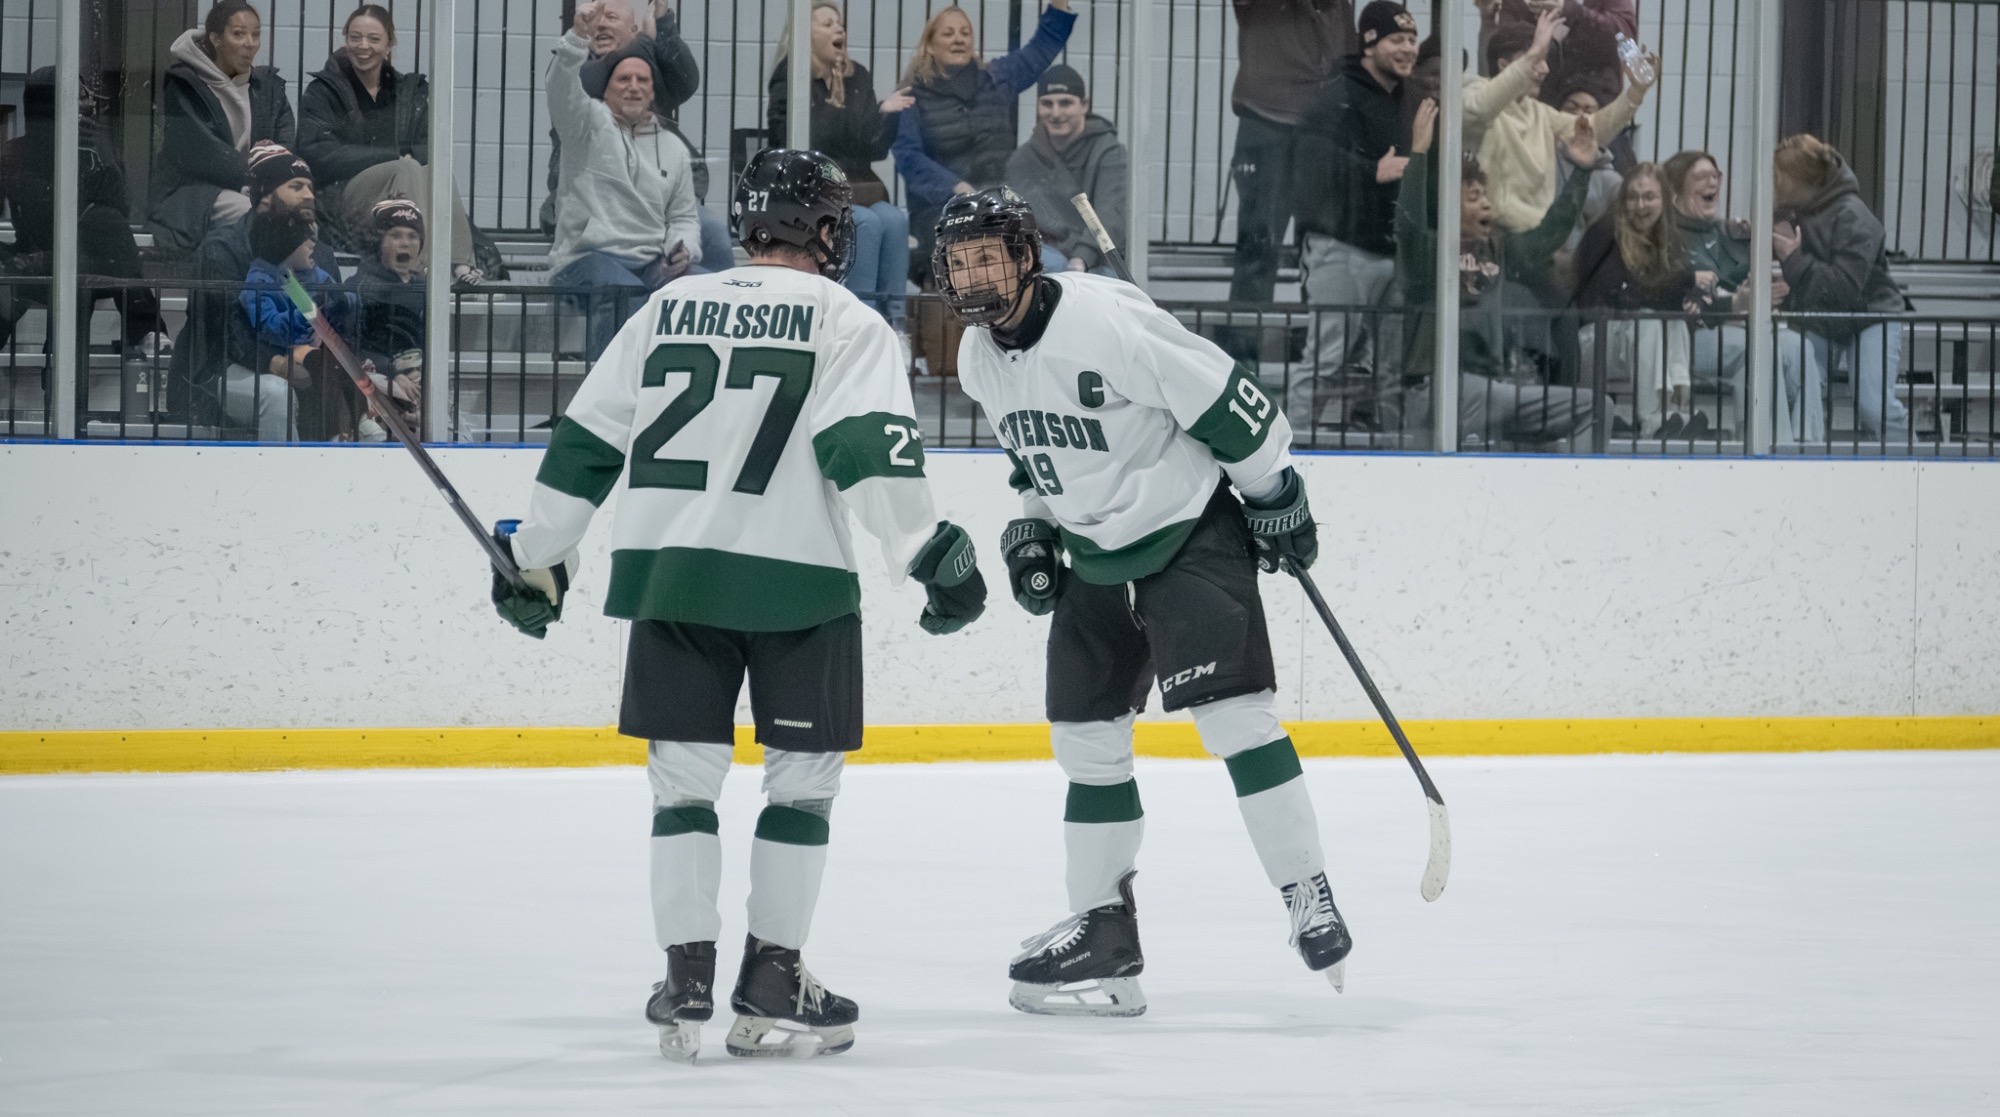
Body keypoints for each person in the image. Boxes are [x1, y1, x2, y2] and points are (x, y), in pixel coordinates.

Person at [488, 149, 988, 1062]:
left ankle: (685, 979)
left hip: (672, 580)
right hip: (797, 579)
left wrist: (534, 557)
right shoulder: (846, 319)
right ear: (826, 231)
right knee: (802, 782)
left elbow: (586, 445)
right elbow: (862, 451)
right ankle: (773, 974)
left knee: (682, 785)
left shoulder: (665, 308)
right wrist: (928, 552)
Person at [932, 188, 1352, 1016]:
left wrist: (1277, 494)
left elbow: (1231, 401)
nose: (972, 275)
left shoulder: (1106, 320)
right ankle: (1105, 935)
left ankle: (1310, 894)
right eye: (958, 260)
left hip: (1189, 534)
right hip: (1095, 555)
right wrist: (1033, 529)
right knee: (1085, 741)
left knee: (1237, 722)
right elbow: (1037, 459)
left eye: (987, 255)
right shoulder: (977, 359)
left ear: (1024, 256)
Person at [1388, 99, 1596, 445]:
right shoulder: (1427, 250)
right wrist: (1419, 154)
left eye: (1485, 194)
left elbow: (1549, 233)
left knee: (1594, 405)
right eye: (1473, 196)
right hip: (1437, 385)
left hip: (1491, 384)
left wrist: (1581, 172)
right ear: (1449, 206)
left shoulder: (1500, 249)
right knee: (1492, 401)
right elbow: (1407, 225)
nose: (1485, 202)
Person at [545, 0, 706, 362]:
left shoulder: (673, 147)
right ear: (605, 89)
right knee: (622, 290)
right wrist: (576, 38)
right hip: (584, 260)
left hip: (650, 263)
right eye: (623, 79)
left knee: (704, 287)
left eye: (642, 80)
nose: (633, 87)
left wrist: (683, 246)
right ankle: (612, 401)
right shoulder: (584, 124)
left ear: (652, 92)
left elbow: (683, 218)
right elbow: (559, 89)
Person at [296, 3, 498, 284]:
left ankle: (460, 264)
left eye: (373, 39)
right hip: (342, 200)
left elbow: (430, 147)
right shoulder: (324, 90)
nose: (363, 46)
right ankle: (421, 266)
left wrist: (401, 158)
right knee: (404, 167)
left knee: (437, 168)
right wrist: (390, 156)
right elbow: (317, 153)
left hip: (403, 185)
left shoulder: (408, 91)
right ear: (345, 38)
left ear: (390, 43)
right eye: (355, 37)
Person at [167, 141, 344, 440]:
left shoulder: (321, 255)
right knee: (275, 393)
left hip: (295, 362)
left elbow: (330, 323)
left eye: (310, 187)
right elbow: (226, 334)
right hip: (219, 368)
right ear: (264, 194)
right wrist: (278, 364)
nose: (309, 195)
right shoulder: (222, 249)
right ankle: (280, 482)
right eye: (297, 186)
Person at [892, 1, 1076, 287]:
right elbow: (908, 157)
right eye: (949, 33)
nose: (959, 38)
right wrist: (956, 188)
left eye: (965, 32)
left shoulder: (996, 78)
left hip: (998, 204)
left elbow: (1040, 50)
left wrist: (1059, 8)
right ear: (929, 46)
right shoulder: (911, 96)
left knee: (1052, 264)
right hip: (942, 211)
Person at [0, 70, 168, 379]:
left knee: (101, 238)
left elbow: (121, 209)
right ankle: (146, 330)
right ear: (52, 105)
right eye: (79, 98)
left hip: (84, 261)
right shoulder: (16, 154)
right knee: (73, 277)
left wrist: (105, 156)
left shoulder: (95, 149)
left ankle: (63, 398)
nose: (88, 105)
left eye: (86, 96)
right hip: (35, 262)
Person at [768, 0, 915, 325]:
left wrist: (886, 116)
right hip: (809, 190)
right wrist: (870, 111)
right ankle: (859, 320)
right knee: (867, 224)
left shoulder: (857, 75)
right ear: (805, 35)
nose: (839, 29)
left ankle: (895, 324)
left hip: (858, 186)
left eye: (841, 24)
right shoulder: (789, 77)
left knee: (894, 220)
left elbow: (872, 148)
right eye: (827, 23)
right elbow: (813, 137)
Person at [1292, 1, 1418, 378]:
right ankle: (1292, 440)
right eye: (1397, 39)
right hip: (1341, 250)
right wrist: (1370, 170)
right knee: (1324, 364)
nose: (1409, 48)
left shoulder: (1409, 100)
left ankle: (1394, 441)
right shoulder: (1335, 95)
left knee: (1393, 371)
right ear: (1369, 43)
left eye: (1413, 39)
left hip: (1393, 253)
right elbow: (1310, 162)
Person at [1223, 0, 1356, 348]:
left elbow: (1346, 48)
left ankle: (1313, 351)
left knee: (1321, 245)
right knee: (1259, 243)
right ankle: (1241, 355)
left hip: (1322, 121)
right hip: (1268, 120)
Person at [1663, 149, 1822, 439]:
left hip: (1741, 325)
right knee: (1760, 347)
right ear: (1676, 188)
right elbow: (1680, 299)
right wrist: (1736, 302)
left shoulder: (1729, 233)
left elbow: (1757, 276)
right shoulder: (1667, 235)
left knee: (1798, 346)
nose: (1712, 182)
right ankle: (1764, 440)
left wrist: (1775, 288)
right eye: (1700, 176)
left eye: (1715, 175)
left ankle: (1807, 441)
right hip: (1691, 335)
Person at [541, 0, 712, 261]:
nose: (600, 25)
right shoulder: (570, 69)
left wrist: (664, 21)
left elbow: (686, 81)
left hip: (656, 197)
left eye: (610, 17)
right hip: (598, 204)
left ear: (632, 29)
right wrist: (645, 42)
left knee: (715, 238)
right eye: (595, 18)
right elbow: (591, 80)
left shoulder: (649, 69)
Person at [1465, 8, 1654, 234]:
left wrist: (1635, 93)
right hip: (1493, 234)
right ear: (1505, 66)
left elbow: (1592, 131)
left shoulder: (1540, 113)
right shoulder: (1473, 88)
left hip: (1540, 238)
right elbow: (1477, 109)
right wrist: (1532, 55)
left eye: (1544, 59)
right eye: (1537, 59)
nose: (1545, 69)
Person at [1773, 133, 1910, 444]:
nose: (1774, 183)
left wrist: (1793, 259)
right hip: (1824, 317)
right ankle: (1799, 457)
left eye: (1779, 176)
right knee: (1797, 385)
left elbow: (1843, 289)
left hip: (1872, 316)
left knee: (1875, 407)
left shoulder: (1854, 215)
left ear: (1801, 178)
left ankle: (1915, 461)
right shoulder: (1794, 210)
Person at [149, 1, 297, 258]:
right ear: (216, 39)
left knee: (300, 219)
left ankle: (291, 294)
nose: (250, 43)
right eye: (239, 34)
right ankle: (266, 291)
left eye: (256, 34)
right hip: (194, 193)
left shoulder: (269, 87)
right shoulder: (186, 84)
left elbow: (284, 144)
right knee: (255, 215)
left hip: (252, 188)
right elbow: (202, 153)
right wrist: (260, 180)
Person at [1571, 163, 1703, 438]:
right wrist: (1681, 285)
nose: (1640, 205)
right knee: (1649, 320)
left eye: (1649, 197)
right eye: (1632, 197)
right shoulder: (1605, 234)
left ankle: (1674, 411)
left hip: (1634, 337)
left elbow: (1664, 291)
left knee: (1671, 322)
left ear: (1665, 201)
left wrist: (1688, 296)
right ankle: (1652, 419)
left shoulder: (1670, 240)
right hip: (1595, 340)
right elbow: (1623, 297)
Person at [240, 208, 362, 441]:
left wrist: (343, 301)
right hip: (283, 350)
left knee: (342, 361)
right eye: (305, 242)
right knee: (319, 363)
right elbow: (269, 325)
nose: (312, 247)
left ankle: (354, 426)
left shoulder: (314, 274)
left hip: (316, 343)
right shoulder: (259, 281)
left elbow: (343, 296)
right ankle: (330, 432)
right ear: (286, 246)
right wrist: (306, 314)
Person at [1003, 65, 1129, 278]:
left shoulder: (1109, 152)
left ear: (1084, 105)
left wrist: (1081, 257)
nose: (1055, 113)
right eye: (1047, 104)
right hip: (1050, 257)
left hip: (1099, 258)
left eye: (1065, 103)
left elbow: (1111, 217)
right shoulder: (1022, 159)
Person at [348, 198, 428, 436]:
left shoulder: (425, 288)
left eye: (413, 237)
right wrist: (394, 374)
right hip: (374, 380)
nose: (405, 244)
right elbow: (353, 345)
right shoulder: (359, 286)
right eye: (396, 235)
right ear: (379, 242)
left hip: (417, 378)